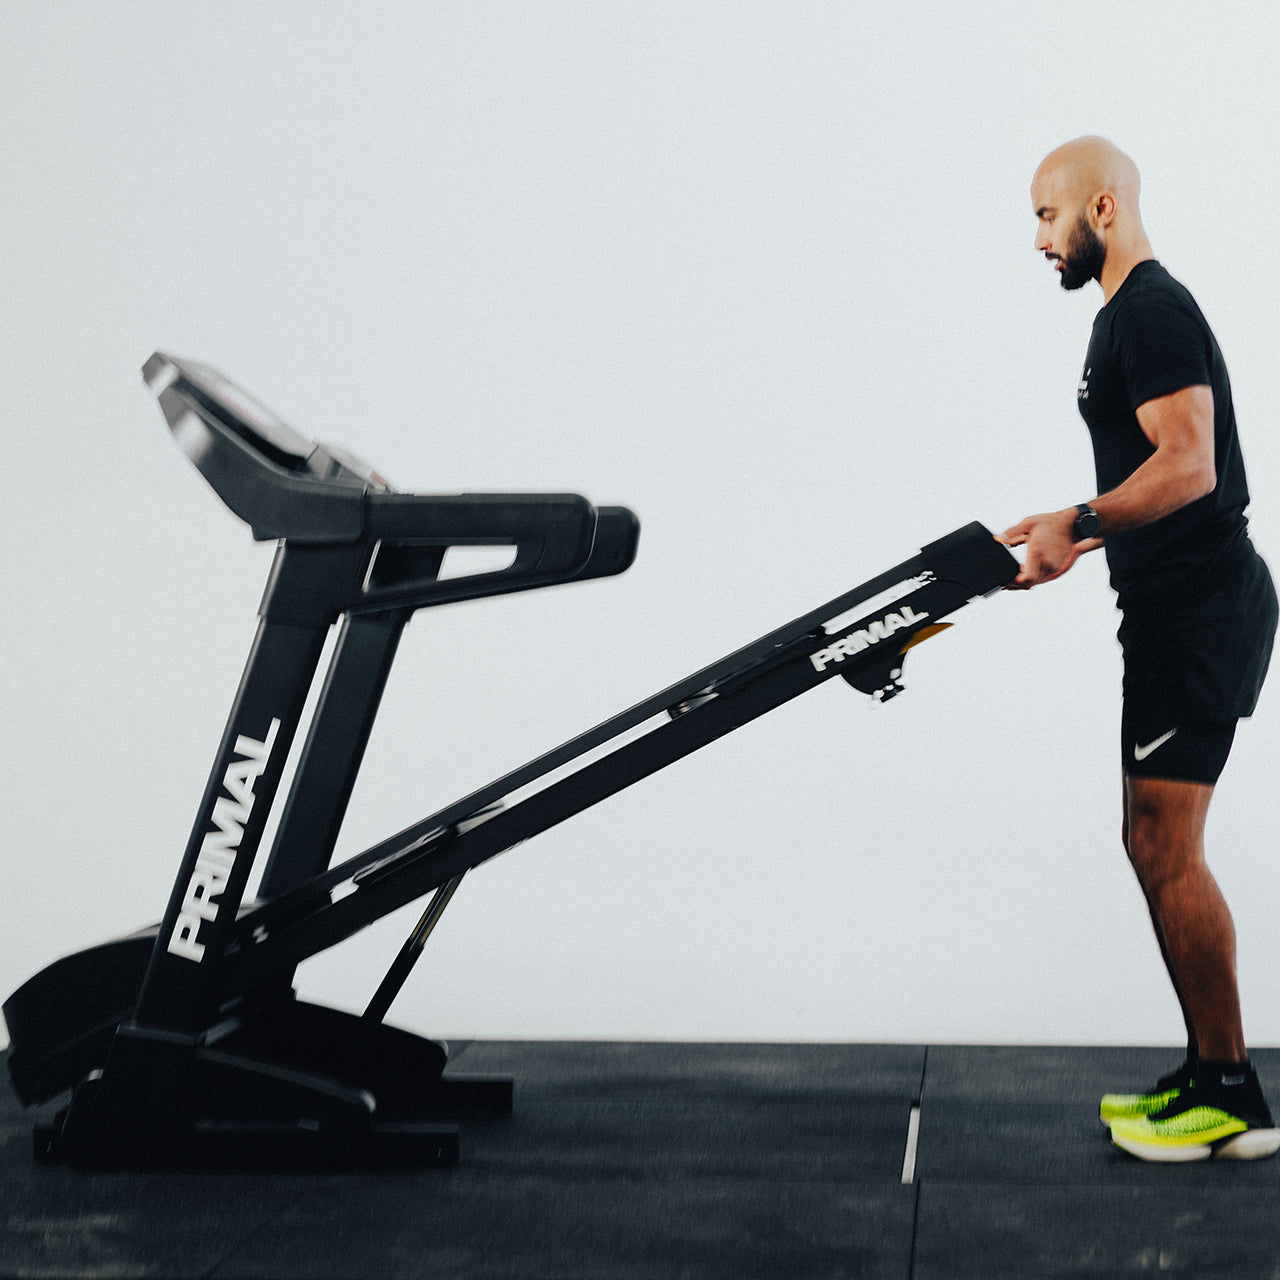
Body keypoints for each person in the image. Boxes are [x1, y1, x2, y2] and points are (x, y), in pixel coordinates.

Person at [998, 136, 1280, 1162]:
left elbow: (1187, 465)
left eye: (1044, 216)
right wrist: (1058, 517)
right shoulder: (1121, 318)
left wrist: (1073, 524)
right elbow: (1145, 469)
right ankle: (1211, 1071)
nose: (1036, 239)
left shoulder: (1148, 311)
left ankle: (1230, 1093)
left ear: (1100, 209)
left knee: (1168, 848)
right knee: (1148, 841)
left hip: (1197, 612)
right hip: (1170, 610)